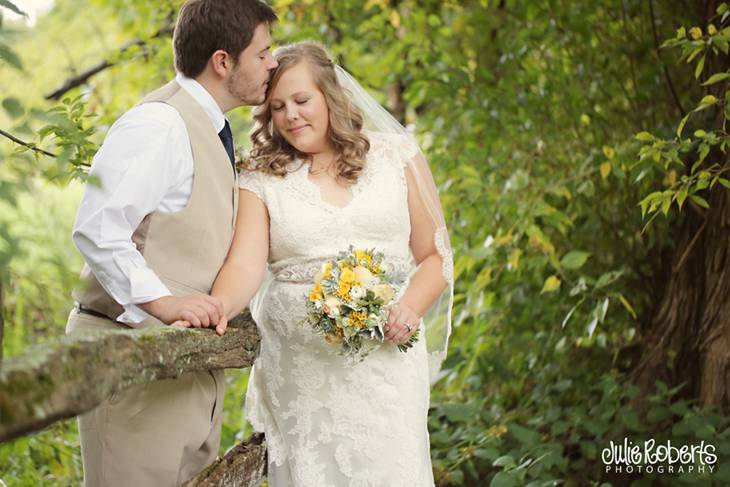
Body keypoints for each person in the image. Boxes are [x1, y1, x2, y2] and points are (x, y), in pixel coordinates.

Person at [209, 41, 454, 486]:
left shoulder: (397, 156)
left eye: (302, 101)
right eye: (278, 106)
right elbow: (244, 266)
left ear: (331, 95)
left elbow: (436, 255)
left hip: (385, 363)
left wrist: (409, 309)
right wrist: (212, 309)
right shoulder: (261, 178)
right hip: (302, 373)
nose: (290, 116)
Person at [64, 1, 278, 486]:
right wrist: (163, 302)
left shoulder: (213, 129)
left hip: (185, 367)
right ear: (223, 62)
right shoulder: (159, 124)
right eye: (263, 53)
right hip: (131, 363)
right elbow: (97, 227)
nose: (273, 63)